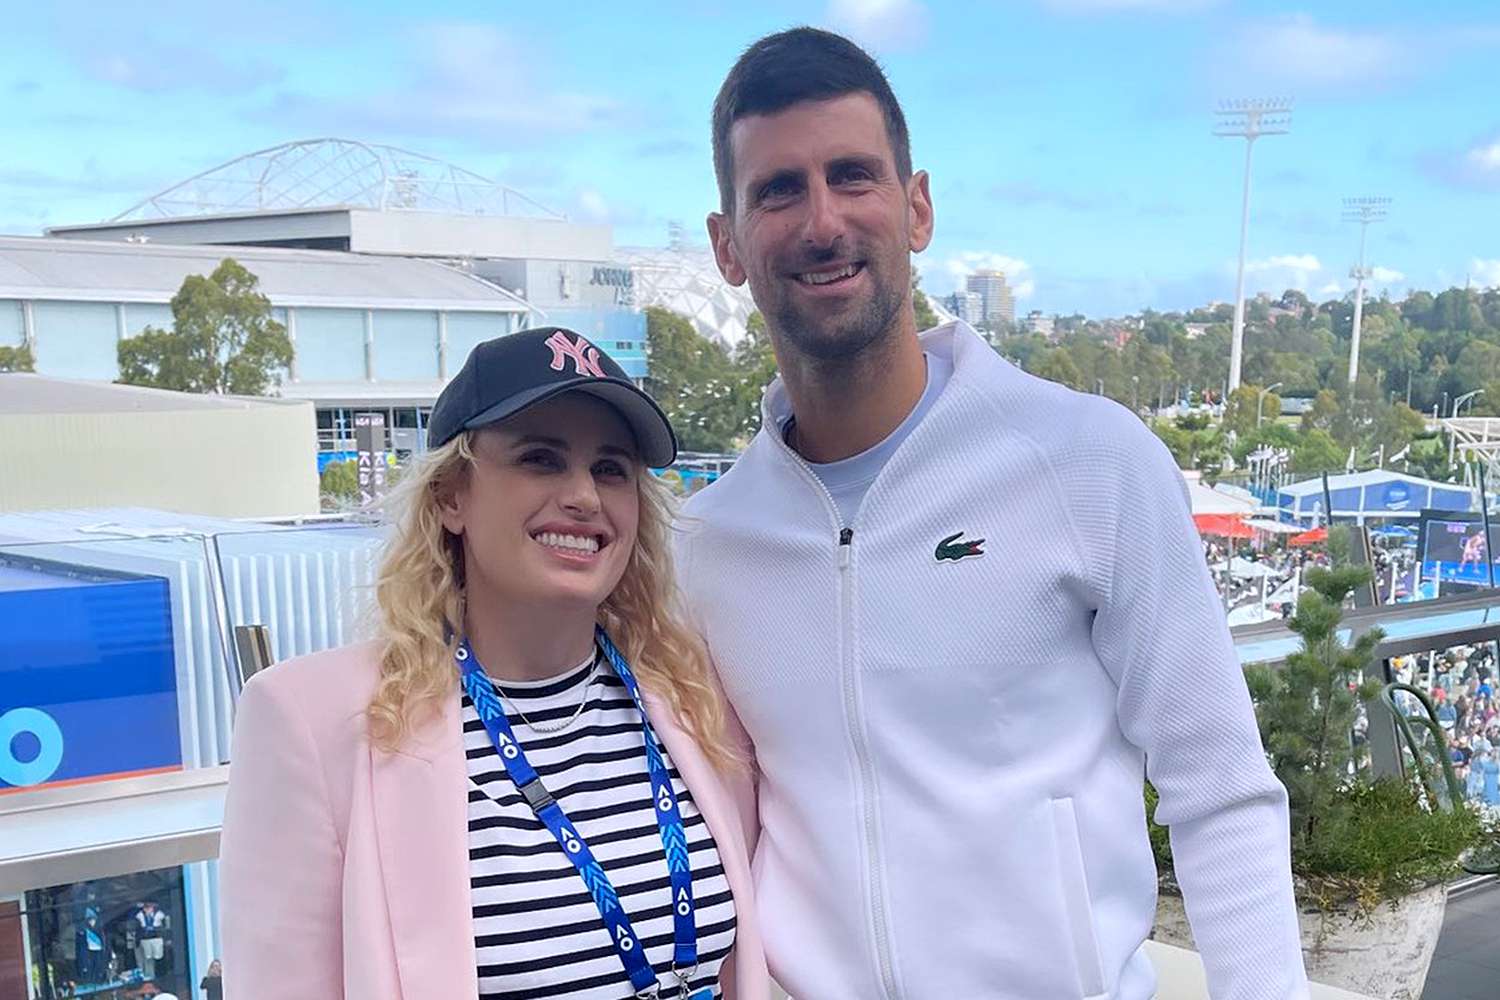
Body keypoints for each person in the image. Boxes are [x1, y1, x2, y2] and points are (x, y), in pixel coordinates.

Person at [679, 27, 1307, 999]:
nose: (822, 221)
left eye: (853, 176)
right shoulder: (708, 545)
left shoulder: (1088, 462)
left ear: (916, 207)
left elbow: (1216, 784)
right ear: (727, 245)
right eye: (777, 190)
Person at [219, 328, 768, 999]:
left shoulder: (693, 695)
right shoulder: (314, 721)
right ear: (452, 496)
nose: (585, 497)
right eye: (541, 459)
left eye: (611, 468)